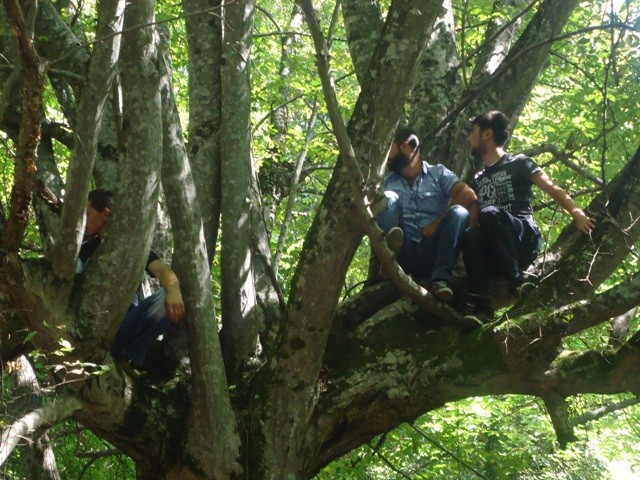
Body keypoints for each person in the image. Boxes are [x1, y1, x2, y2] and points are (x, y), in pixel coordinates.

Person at [462, 111, 595, 324]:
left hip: (523, 238)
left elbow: (552, 188)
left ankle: (517, 281)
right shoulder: (478, 178)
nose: (469, 138)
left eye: (474, 131)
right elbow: (474, 220)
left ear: (487, 134)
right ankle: (482, 309)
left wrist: (577, 213)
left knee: (490, 213)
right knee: (471, 234)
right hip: (495, 246)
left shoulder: (519, 162)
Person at [78, 189, 185, 368]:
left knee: (167, 294)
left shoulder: (134, 246)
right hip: (88, 328)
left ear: (105, 213)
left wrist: (174, 291)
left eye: (87, 214)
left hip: (125, 325)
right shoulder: (84, 249)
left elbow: (163, 271)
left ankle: (129, 358)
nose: (83, 220)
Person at [376, 127, 477, 301]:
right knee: (387, 198)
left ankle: (440, 281)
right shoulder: (386, 183)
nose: (385, 155)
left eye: (388, 147)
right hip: (404, 251)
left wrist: (436, 223)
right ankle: (388, 257)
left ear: (405, 146)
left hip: (432, 249)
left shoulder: (438, 173)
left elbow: (468, 195)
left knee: (459, 212)